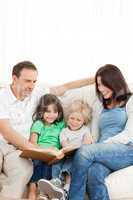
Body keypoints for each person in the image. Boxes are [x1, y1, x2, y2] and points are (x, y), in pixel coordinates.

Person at [0, 60, 94, 199]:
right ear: (14, 78)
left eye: (34, 81)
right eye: (27, 81)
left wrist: (94, 78)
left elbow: (64, 87)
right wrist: (37, 149)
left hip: (19, 151)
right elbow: (6, 131)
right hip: (3, 144)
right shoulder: (2, 97)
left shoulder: (36, 93)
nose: (31, 86)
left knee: (23, 172)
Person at [67, 64, 133, 200]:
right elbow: (96, 133)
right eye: (98, 85)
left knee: (85, 151)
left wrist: (97, 147)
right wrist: (93, 142)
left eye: (103, 84)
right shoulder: (101, 104)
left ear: (114, 81)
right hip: (103, 151)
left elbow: (130, 134)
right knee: (93, 173)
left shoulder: (130, 101)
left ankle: (70, 195)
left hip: (127, 149)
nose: (100, 89)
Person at [38, 100, 93, 199]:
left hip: (78, 156)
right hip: (66, 154)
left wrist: (78, 148)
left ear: (84, 121)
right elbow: (64, 144)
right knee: (56, 163)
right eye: (72, 118)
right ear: (67, 118)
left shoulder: (85, 130)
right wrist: (65, 150)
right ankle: (54, 184)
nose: (74, 122)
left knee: (69, 165)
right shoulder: (64, 131)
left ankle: (66, 189)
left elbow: (87, 143)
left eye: (78, 120)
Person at [28, 94, 65, 200]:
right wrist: (46, 150)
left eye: (55, 112)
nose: (51, 115)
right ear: (41, 111)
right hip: (40, 153)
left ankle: (44, 192)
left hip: (54, 155)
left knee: (51, 166)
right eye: (48, 111)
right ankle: (34, 190)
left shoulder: (60, 124)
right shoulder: (39, 124)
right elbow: (32, 143)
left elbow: (71, 131)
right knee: (39, 164)